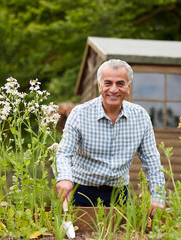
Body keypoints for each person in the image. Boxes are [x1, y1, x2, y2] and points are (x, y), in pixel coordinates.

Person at [55, 59, 165, 215]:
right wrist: (65, 178)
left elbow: (152, 161)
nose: (114, 89)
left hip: (119, 194)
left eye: (120, 83)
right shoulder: (80, 114)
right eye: (108, 83)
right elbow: (64, 153)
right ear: (99, 86)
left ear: (128, 87)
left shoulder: (140, 117)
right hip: (82, 193)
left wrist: (158, 197)